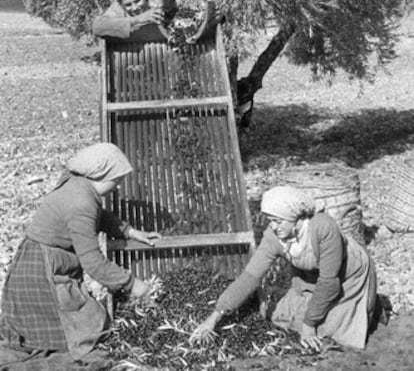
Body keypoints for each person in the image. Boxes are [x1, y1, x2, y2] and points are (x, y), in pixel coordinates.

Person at [1, 142, 160, 360]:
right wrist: (133, 284)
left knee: (86, 318)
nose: (118, 185)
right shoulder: (81, 202)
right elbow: (94, 263)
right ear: (102, 174)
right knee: (85, 331)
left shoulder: (78, 184)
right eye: (116, 179)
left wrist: (129, 231)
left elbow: (99, 217)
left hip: (43, 259)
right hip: (41, 272)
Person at [190, 185, 377, 351]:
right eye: (270, 220)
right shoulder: (273, 236)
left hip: (347, 275)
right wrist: (214, 317)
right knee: (282, 316)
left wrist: (309, 325)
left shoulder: (323, 228)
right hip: (311, 276)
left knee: (333, 329)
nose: (273, 226)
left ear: (295, 218)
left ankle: (372, 309)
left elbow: (329, 283)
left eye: (278, 221)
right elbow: (250, 277)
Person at [92, 0, 164, 39]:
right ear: (121, 4)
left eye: (137, 1)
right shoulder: (118, 8)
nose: (135, 8)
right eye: (128, 5)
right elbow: (97, 27)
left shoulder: (155, 0)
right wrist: (137, 19)